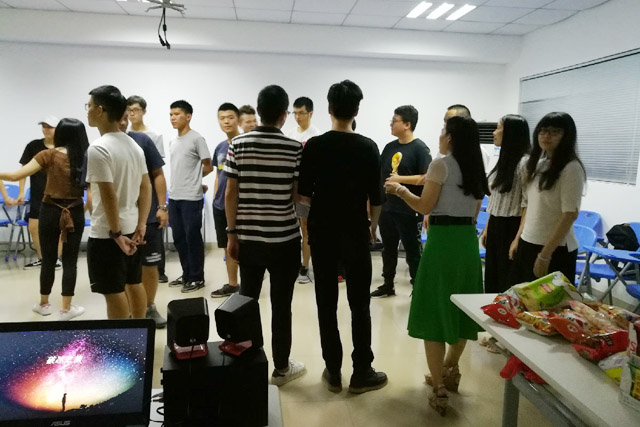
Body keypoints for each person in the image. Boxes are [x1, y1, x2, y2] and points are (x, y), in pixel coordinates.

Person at [385, 116, 489, 416]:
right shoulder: (475, 168)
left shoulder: (441, 164)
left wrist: (400, 190)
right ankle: (450, 369)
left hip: (442, 242)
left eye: (443, 131)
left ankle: (439, 387)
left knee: (434, 309)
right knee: (461, 307)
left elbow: (424, 206)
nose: (440, 136)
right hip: (466, 242)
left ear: (451, 137)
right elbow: (474, 210)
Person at [298, 80, 387, 394]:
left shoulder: (315, 146)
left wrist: (307, 229)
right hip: (355, 232)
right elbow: (376, 197)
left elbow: (302, 197)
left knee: (326, 303)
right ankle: (362, 371)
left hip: (322, 233)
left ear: (329, 108)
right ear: (356, 111)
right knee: (360, 304)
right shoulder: (368, 147)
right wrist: (372, 227)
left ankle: (333, 371)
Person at [225, 85, 306, 386]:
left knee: (247, 302)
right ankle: (282, 369)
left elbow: (231, 193)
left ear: (258, 112)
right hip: (285, 240)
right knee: (281, 306)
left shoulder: (238, 144)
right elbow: (298, 197)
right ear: (284, 114)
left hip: (249, 240)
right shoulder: (294, 148)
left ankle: (250, 365)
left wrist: (232, 233)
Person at [0, 118, 89, 320]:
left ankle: (44, 304)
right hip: (74, 211)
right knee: (70, 262)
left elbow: (15, 176)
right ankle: (66, 309)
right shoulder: (87, 158)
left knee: (48, 260)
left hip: (49, 210)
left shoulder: (47, 154)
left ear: (60, 133)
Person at [85, 85, 151, 320]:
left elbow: (108, 194)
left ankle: (122, 338)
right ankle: (140, 331)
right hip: (131, 225)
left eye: (89, 106)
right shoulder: (133, 145)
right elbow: (146, 187)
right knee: (134, 281)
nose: (88, 110)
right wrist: (141, 224)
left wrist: (115, 233)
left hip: (108, 233)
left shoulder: (99, 148)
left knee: (113, 291)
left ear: (100, 110)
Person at [509, 112, 585, 284]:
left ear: (567, 136)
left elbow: (570, 214)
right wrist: (518, 238)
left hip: (555, 249)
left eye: (554, 131)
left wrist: (545, 255)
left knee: (547, 300)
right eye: (542, 131)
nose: (546, 136)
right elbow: (529, 206)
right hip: (528, 241)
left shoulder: (571, 168)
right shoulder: (537, 165)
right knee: (521, 296)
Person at [371, 105, 431, 298]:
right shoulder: (390, 147)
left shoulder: (420, 149)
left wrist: (400, 180)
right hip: (388, 207)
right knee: (388, 249)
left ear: (407, 124)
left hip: (410, 208)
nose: (391, 124)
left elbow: (426, 178)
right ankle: (388, 284)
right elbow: (381, 175)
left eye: (394, 121)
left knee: (412, 251)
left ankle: (418, 289)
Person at [118, 114, 168, 328]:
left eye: (125, 117)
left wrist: (162, 207)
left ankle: (149, 306)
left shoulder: (142, 141)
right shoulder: (102, 146)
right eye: (118, 117)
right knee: (124, 268)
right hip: (120, 220)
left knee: (149, 265)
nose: (122, 122)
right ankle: (129, 310)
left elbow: (158, 174)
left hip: (148, 217)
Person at [480, 115, 530, 294]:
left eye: (499, 128)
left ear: (510, 133)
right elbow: (495, 200)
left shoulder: (524, 163)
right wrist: (487, 228)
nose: (494, 132)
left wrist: (518, 238)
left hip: (512, 227)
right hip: (496, 224)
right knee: (492, 277)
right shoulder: (503, 161)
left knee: (506, 280)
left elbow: (527, 205)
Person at [167, 100, 212, 293]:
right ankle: (186, 274)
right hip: (174, 196)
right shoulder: (173, 141)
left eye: (177, 114)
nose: (173, 118)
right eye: (171, 114)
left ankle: (197, 277)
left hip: (191, 198)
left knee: (192, 238)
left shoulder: (197, 139)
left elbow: (208, 165)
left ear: (188, 116)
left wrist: (195, 180)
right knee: (179, 238)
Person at [126, 95, 168, 283]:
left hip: (149, 197)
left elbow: (157, 171)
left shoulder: (151, 136)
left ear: (143, 111)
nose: (131, 114)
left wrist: (162, 206)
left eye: (135, 110)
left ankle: (159, 271)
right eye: (129, 110)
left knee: (153, 241)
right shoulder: (124, 137)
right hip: (130, 202)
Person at [18, 116, 62, 270]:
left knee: (59, 228)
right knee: (33, 227)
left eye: (50, 127)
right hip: (38, 193)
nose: (46, 129)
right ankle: (42, 259)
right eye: (44, 126)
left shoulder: (63, 147)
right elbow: (23, 170)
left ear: (58, 129)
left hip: (59, 194)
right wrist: (21, 191)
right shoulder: (33, 146)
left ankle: (56, 259)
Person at [286, 97, 321, 284]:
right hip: (290, 187)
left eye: (301, 113)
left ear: (310, 113)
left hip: (307, 189)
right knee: (292, 228)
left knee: (305, 228)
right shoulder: (290, 134)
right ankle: (293, 263)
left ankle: (305, 266)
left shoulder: (316, 136)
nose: (298, 117)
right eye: (295, 113)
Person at [210, 103, 241, 298]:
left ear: (238, 119)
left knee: (242, 246)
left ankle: (249, 285)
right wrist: (215, 198)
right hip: (220, 205)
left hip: (239, 206)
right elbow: (217, 175)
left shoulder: (244, 144)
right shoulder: (220, 147)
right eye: (222, 118)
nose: (226, 121)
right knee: (226, 246)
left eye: (230, 117)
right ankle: (232, 283)